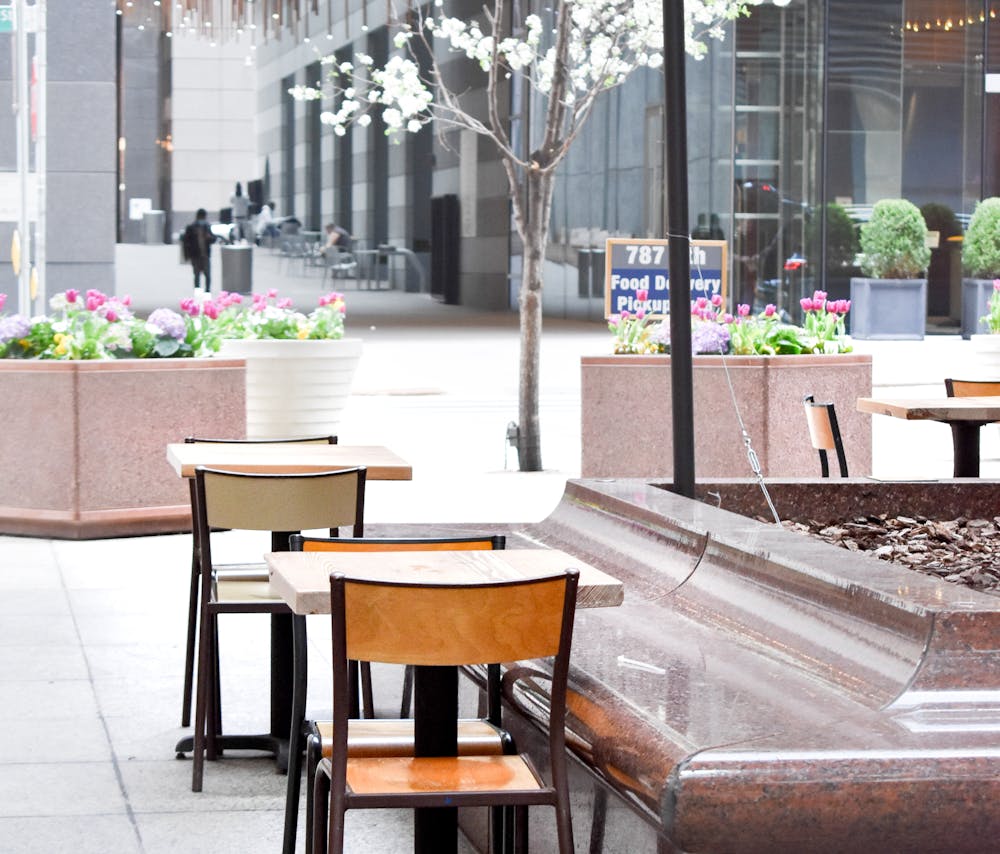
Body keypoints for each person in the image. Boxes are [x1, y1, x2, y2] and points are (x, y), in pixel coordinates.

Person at [182, 208, 217, 292]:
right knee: (197, 275)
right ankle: (197, 291)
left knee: (207, 275)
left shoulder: (207, 227)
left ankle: (207, 291)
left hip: (205, 255)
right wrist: (187, 255)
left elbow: (213, 239)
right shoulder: (191, 227)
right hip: (195, 255)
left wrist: (210, 238)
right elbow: (186, 242)